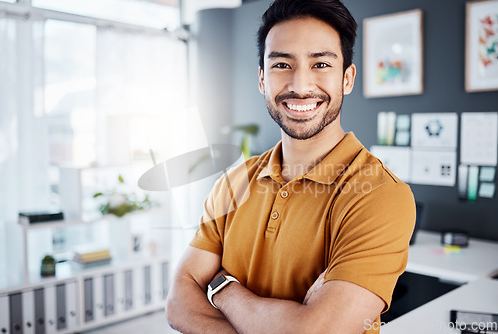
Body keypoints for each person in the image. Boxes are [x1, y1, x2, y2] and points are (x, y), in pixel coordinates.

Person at [165, 0, 416, 333]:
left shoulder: (381, 196)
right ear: (262, 79)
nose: (300, 85)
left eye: (321, 64)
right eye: (282, 64)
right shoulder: (233, 182)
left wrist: (223, 289)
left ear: (347, 78)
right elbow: (178, 303)